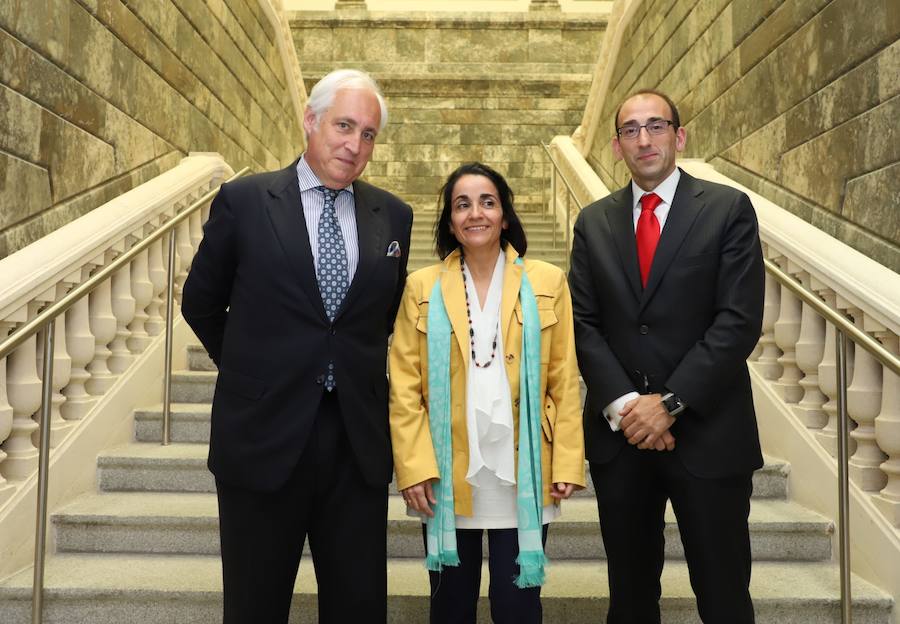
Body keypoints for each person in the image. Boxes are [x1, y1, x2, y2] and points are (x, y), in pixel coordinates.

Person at [181, 69, 413, 623]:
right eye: (344, 126)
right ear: (311, 121)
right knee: (255, 605)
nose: (355, 145)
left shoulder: (394, 216)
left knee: (358, 607)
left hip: (355, 445)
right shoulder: (245, 199)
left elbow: (381, 318)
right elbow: (201, 303)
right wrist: (252, 372)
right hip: (262, 436)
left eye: (369, 135)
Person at [568, 89, 765, 623]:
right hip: (623, 439)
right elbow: (584, 325)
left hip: (710, 434)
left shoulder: (727, 210)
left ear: (678, 137)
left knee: (724, 597)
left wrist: (670, 403)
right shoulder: (593, 223)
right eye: (630, 130)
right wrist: (631, 406)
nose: (643, 139)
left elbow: (738, 321)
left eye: (655, 126)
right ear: (616, 146)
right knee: (630, 600)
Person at [389, 162, 585, 624]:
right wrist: (414, 468)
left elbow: (564, 377)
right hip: (446, 466)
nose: (475, 213)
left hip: (524, 466)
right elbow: (404, 386)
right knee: (450, 605)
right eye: (462, 204)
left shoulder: (546, 280)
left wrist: (569, 461)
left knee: (517, 606)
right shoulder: (421, 286)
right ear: (450, 221)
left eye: (487, 201)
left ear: (504, 214)